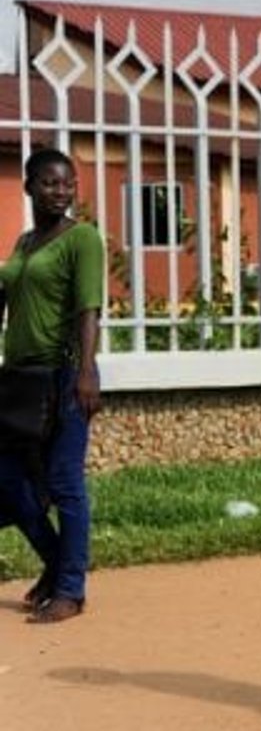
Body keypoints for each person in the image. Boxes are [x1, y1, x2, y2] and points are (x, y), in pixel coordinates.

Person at [0, 147, 103, 624]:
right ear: (29, 187)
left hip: (64, 377)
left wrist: (86, 372)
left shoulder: (81, 238)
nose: (60, 191)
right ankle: (59, 566)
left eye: (67, 183)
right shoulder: (24, 244)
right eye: (49, 182)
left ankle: (70, 590)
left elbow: (88, 308)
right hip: (20, 381)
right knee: (13, 481)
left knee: (64, 483)